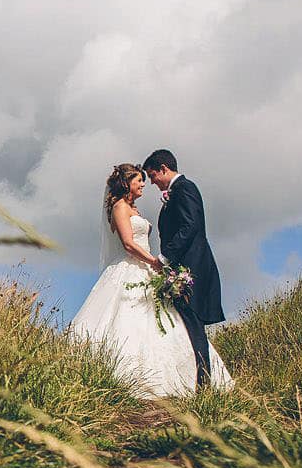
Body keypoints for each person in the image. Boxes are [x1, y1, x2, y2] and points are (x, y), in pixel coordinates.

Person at [68, 161, 232, 397]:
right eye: (139, 180)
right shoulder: (119, 207)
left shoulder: (135, 209)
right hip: (133, 268)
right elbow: (128, 244)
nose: (144, 184)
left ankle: (191, 379)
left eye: (144, 179)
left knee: (168, 320)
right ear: (127, 183)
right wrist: (155, 262)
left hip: (147, 268)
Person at [142, 148, 226, 389]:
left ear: (164, 169)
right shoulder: (176, 192)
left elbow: (190, 226)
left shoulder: (185, 188)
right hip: (182, 266)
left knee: (193, 321)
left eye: (152, 175)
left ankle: (204, 383)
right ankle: (195, 379)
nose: (152, 182)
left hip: (192, 266)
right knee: (186, 321)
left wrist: (166, 256)